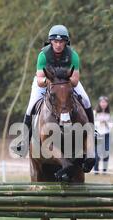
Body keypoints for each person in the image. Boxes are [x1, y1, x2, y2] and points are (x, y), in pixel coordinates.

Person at [12, 24, 94, 157]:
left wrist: (64, 82)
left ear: (66, 42)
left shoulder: (73, 55)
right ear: (51, 42)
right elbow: (39, 80)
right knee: (31, 105)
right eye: (55, 41)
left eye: (61, 41)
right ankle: (24, 141)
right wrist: (50, 82)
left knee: (86, 100)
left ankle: (92, 132)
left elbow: (75, 80)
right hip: (46, 82)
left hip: (66, 83)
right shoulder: (43, 55)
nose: (58, 45)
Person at [94, 96, 113, 174]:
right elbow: (93, 124)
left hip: (106, 134)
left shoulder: (110, 113)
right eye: (102, 102)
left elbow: (111, 125)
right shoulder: (95, 112)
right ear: (99, 103)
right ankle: (96, 170)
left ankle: (105, 170)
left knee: (106, 152)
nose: (103, 104)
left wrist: (106, 122)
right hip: (98, 134)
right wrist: (99, 122)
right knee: (97, 153)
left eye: (105, 102)